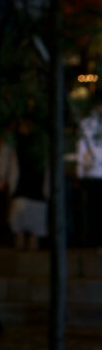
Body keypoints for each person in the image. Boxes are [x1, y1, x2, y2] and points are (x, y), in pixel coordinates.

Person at [0, 113, 49, 250]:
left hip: (37, 180)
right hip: (21, 180)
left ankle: (33, 238)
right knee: (18, 208)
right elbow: (4, 158)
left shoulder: (41, 139)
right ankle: (19, 236)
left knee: (36, 209)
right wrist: (1, 177)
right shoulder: (13, 139)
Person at [76, 93, 102, 247]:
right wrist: (81, 171)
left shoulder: (86, 124)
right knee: (94, 209)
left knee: (95, 209)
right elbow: (81, 148)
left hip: (93, 172)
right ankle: (95, 240)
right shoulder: (87, 124)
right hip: (93, 173)